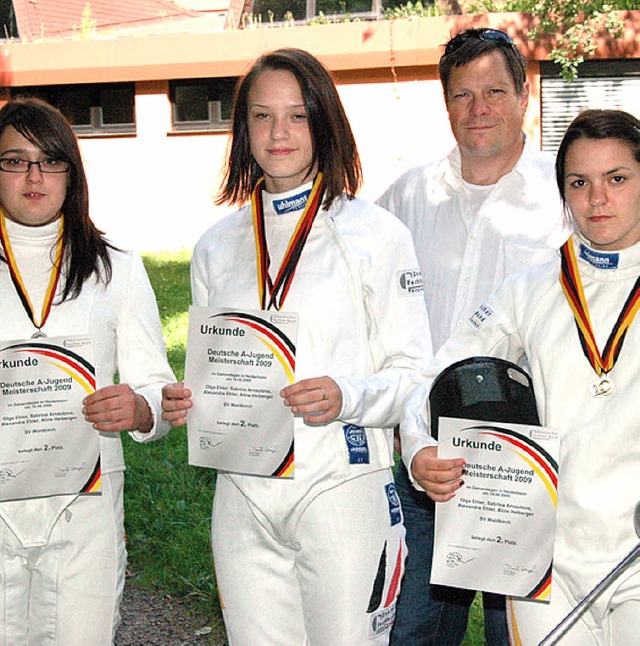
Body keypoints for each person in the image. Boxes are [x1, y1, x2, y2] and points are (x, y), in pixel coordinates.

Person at [161, 47, 433, 644]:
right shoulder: (214, 245)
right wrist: (190, 401)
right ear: (243, 128)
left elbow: (416, 373)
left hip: (341, 488)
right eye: (262, 115)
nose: (278, 132)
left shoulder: (378, 235)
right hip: (242, 495)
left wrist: (348, 395)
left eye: (297, 115)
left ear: (324, 121)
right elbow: (213, 371)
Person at [401, 108, 640, 645]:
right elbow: (437, 375)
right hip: (545, 561)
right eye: (579, 182)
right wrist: (419, 452)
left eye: (617, 179)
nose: (597, 199)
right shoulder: (529, 289)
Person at [376, 27, 568, 645]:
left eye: (493, 91)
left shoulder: (564, 198)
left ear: (524, 97)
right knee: (414, 635)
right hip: (424, 455)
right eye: (463, 95)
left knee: (521, 633)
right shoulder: (406, 197)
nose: (478, 108)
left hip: (527, 463)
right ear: (446, 104)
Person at [0, 98, 175, 644]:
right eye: (14, 160)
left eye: (50, 160)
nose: (34, 176)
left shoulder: (115, 269)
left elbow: (158, 388)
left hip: (85, 510)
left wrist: (141, 407)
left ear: (71, 174)